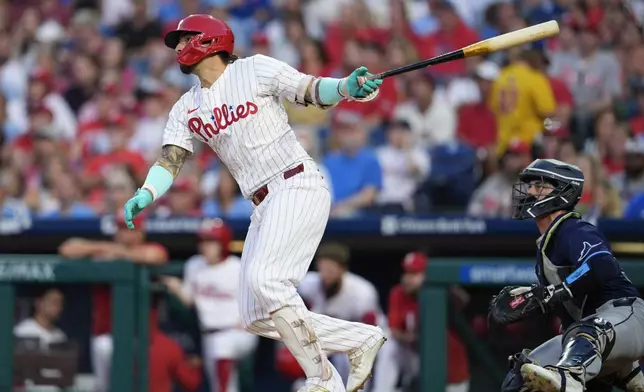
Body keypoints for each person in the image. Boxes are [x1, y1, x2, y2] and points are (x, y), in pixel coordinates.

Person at [122, 14, 386, 392]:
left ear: (209, 40)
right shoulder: (186, 107)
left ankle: (322, 377)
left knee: (267, 280)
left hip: (295, 184)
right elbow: (171, 159)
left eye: (184, 39)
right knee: (253, 314)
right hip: (262, 204)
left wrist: (346, 86)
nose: (178, 48)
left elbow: (311, 90)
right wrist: (145, 192)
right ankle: (356, 340)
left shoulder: (254, 69)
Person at [498, 158, 644, 392]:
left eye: (540, 186)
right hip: (590, 335)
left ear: (563, 192)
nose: (530, 191)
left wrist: (555, 291)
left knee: (584, 333)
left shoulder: (572, 228)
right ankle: (623, 372)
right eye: (531, 186)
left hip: (625, 314)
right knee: (521, 377)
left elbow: (601, 265)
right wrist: (537, 297)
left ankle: (575, 375)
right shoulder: (546, 244)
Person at [58, 215, 168, 392]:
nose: (124, 234)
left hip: (138, 338)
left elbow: (156, 255)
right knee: (104, 387)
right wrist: (103, 248)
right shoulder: (103, 252)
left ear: (141, 233)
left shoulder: (147, 250)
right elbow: (67, 249)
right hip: (103, 334)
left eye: (130, 229)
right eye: (121, 229)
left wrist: (119, 254)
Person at [162, 219, 258, 392]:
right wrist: (177, 288)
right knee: (220, 383)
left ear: (222, 243)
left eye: (211, 241)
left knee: (222, 362)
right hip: (210, 335)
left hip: (237, 332)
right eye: (203, 241)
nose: (205, 246)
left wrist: (249, 319)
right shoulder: (194, 265)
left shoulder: (237, 267)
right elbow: (190, 300)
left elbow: (259, 299)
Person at [371, 252, 470, 392]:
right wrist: (412, 338)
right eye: (406, 273)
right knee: (388, 342)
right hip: (414, 355)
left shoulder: (441, 293)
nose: (408, 278)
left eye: (414, 273)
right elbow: (395, 330)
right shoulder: (398, 293)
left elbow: (463, 300)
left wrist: (441, 281)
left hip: (448, 367)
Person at [296, 242, 384, 387]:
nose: (326, 274)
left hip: (363, 339)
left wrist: (341, 347)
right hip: (328, 340)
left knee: (353, 366)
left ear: (343, 269)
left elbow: (369, 333)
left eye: (331, 269)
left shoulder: (362, 292)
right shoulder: (307, 285)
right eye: (323, 268)